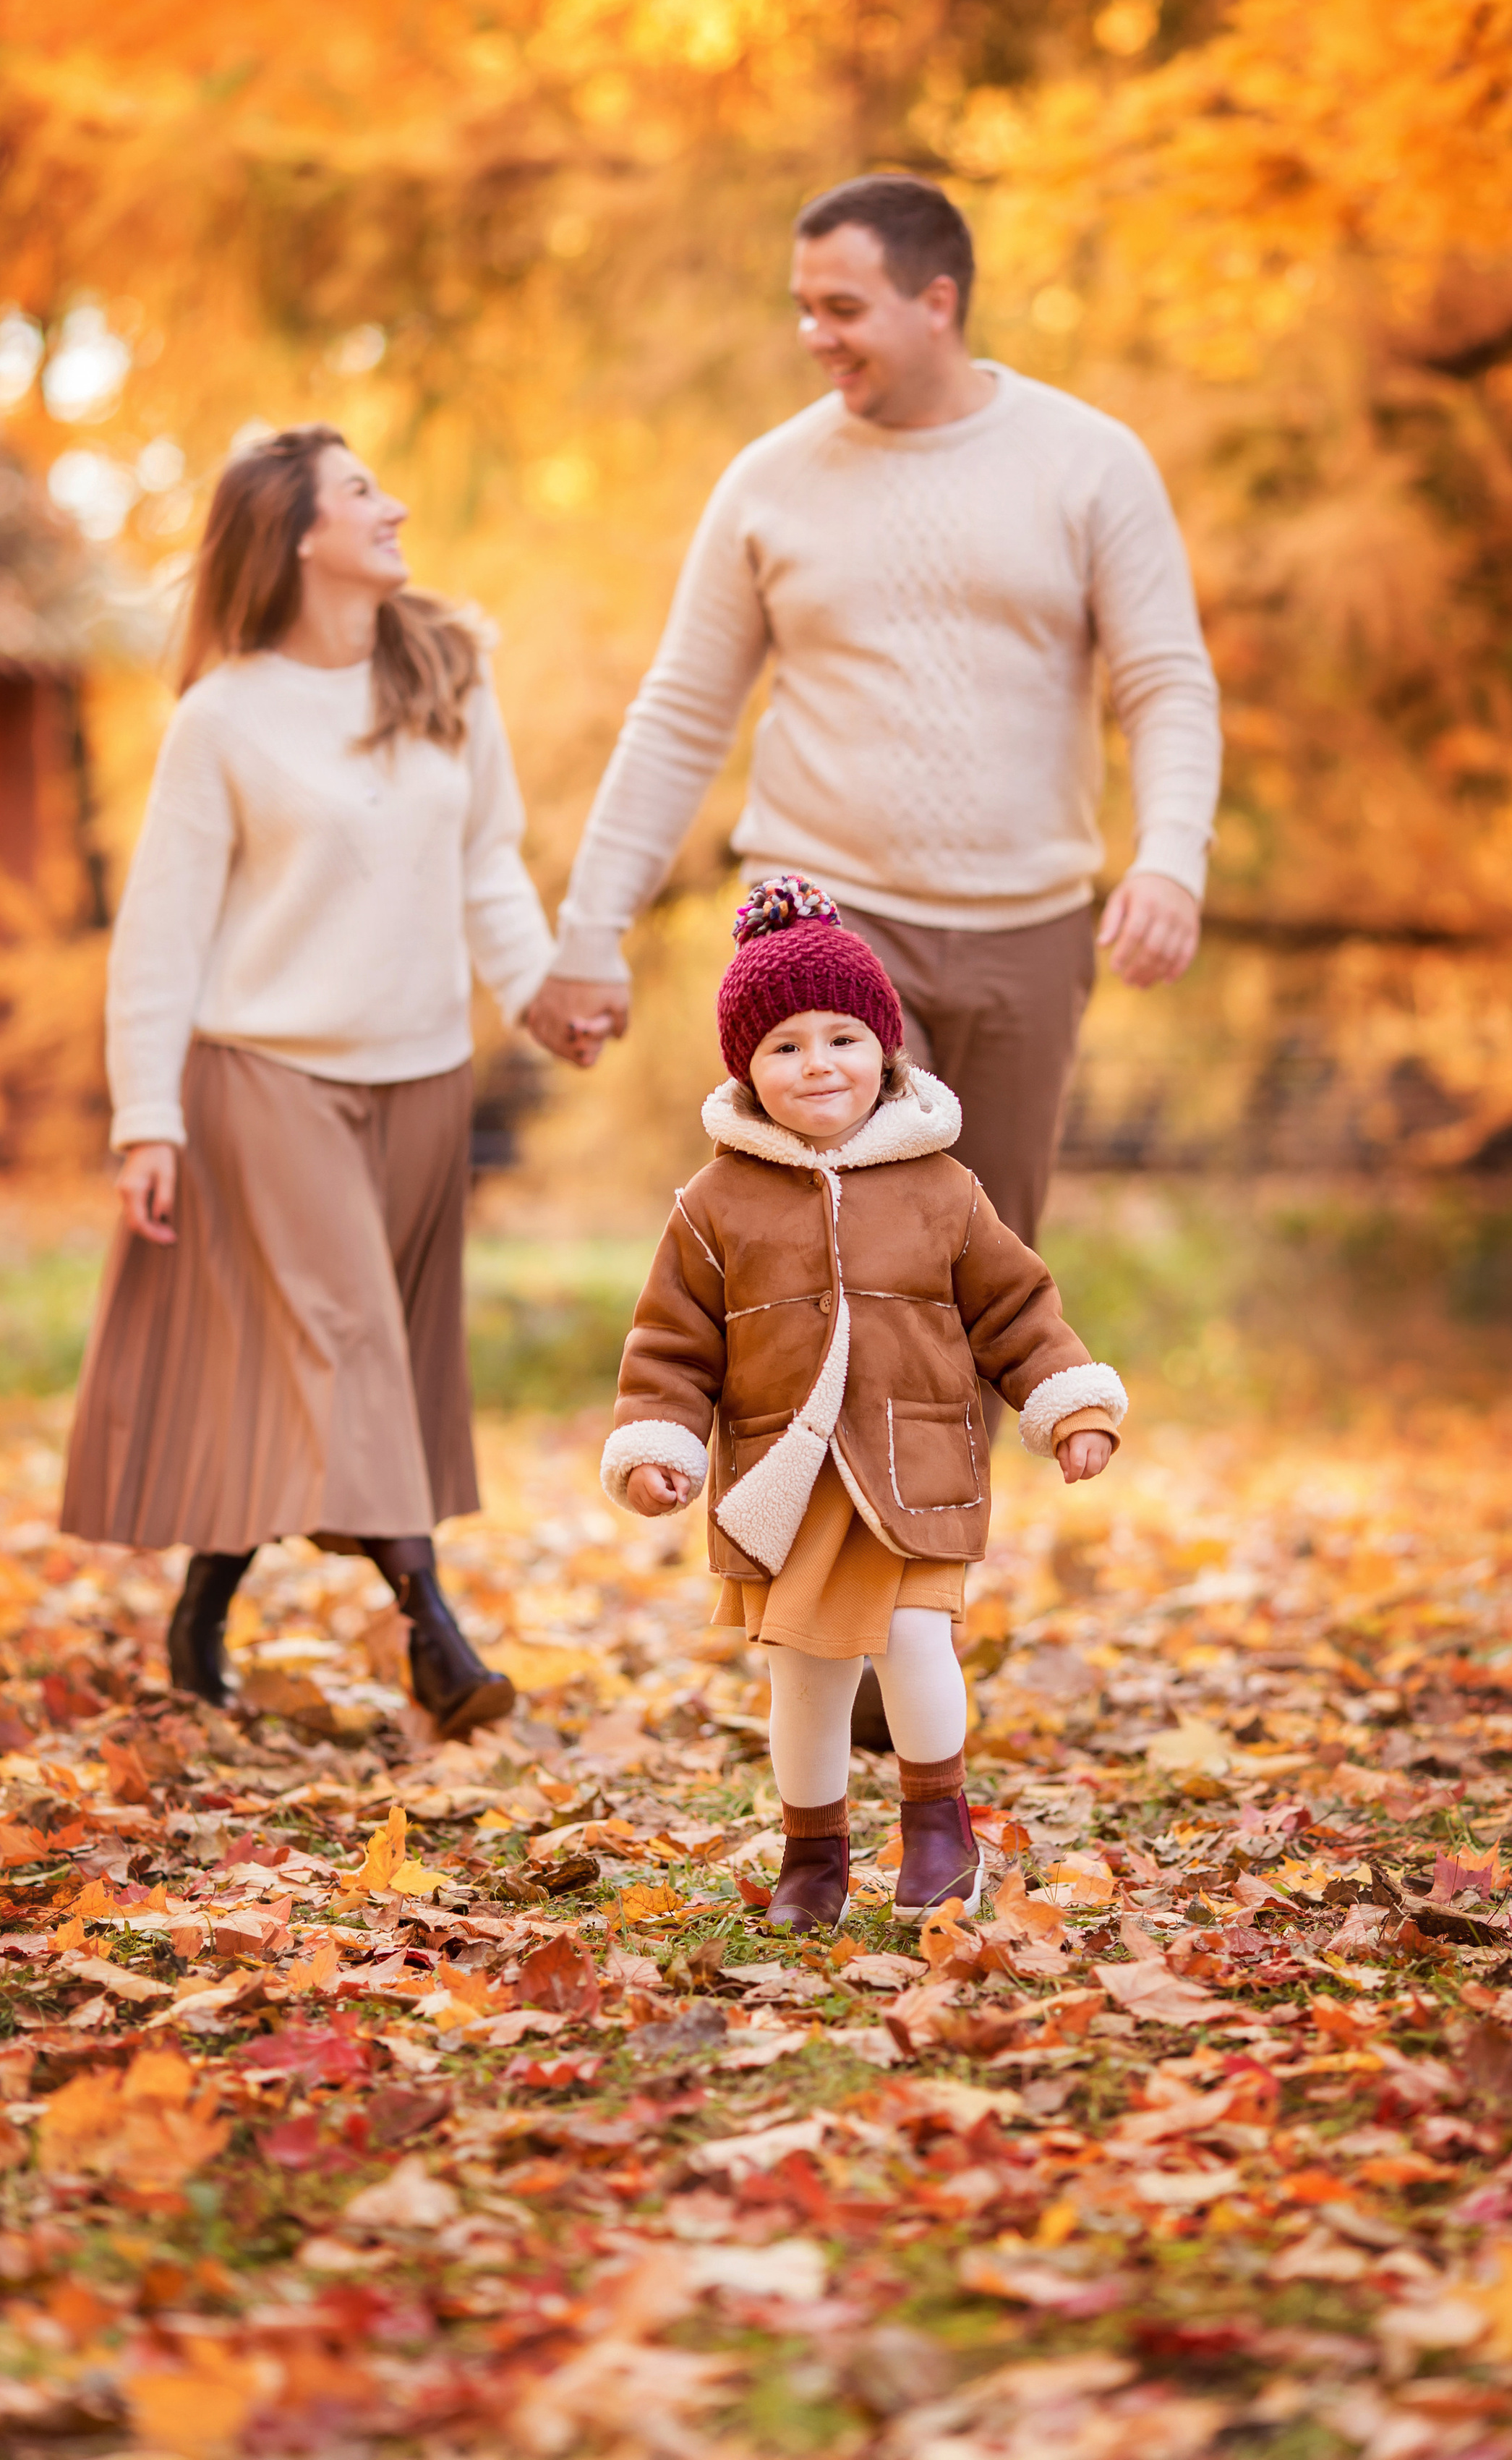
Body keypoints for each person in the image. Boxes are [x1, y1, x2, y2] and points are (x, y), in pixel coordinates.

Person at [526, 171, 1222, 1266]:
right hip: (826, 919)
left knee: (986, 1272)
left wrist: (1172, 857)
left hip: (1025, 931)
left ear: (936, 301)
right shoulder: (771, 482)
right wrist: (590, 930)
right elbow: (678, 718)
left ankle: (957, 1452)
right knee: (819, 1258)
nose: (815, 335)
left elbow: (1167, 682)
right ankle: (798, 1449)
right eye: (804, 307)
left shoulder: (1089, 464)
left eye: (842, 309)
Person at [61, 425, 552, 1737]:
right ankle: (434, 1636)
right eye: (360, 494)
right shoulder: (223, 716)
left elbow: (490, 862)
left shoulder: (447, 667)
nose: (393, 508)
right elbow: (161, 933)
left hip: (422, 1078)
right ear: (296, 539)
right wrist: (147, 1118)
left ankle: (205, 1602)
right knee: (346, 1345)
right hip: (265, 1075)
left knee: (353, 1367)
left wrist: (543, 993)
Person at [600, 876, 1126, 1933]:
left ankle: (939, 1830)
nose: (817, 1065)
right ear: (746, 1071)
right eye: (785, 1046)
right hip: (788, 1486)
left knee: (918, 1646)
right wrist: (658, 1442)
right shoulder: (717, 1205)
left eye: (841, 1037)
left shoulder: (940, 1185)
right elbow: (672, 1340)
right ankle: (814, 1851)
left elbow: (1014, 1306)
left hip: (915, 1469)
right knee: (807, 1677)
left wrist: (1068, 1406)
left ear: (885, 1050)